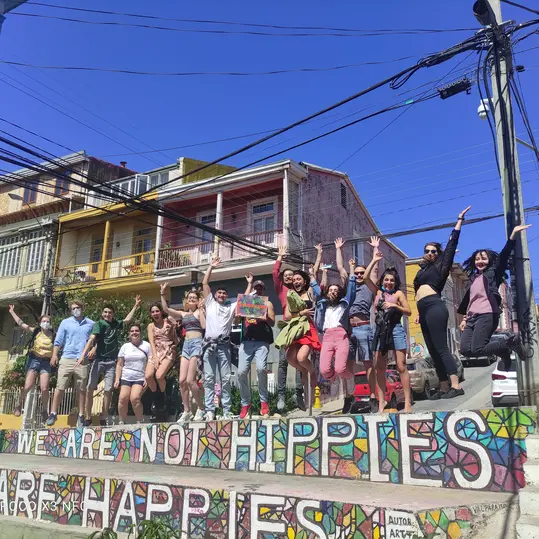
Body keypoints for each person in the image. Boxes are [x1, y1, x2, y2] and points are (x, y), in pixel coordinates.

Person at [413, 206, 471, 400]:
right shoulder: (421, 271)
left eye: (433, 251)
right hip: (423, 309)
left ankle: (456, 385)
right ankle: (444, 387)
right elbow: (417, 291)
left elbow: (452, 244)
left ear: (438, 254)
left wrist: (459, 220)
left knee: (441, 347)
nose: (430, 253)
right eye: (427, 251)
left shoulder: (441, 266)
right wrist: (419, 312)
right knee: (432, 350)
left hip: (435, 306)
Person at [458, 224, 530, 369]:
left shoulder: (493, 272)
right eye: (477, 259)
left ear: (490, 260)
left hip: (487, 314)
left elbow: (503, 256)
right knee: (465, 350)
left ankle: (509, 343)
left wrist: (513, 235)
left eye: (483, 258)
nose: (480, 261)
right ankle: (503, 350)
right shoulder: (472, 279)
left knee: (478, 348)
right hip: (472, 317)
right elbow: (471, 301)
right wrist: (464, 319)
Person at [273, 245, 321, 411]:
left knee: (301, 358)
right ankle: (305, 377)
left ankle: (312, 372)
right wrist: (301, 312)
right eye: (293, 280)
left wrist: (318, 256)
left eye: (298, 279)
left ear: (304, 281)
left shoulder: (310, 292)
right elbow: (287, 315)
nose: (295, 281)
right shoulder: (290, 295)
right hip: (293, 330)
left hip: (307, 329)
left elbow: (316, 283)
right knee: (289, 358)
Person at [80, 296, 141, 426]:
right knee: (90, 387)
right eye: (105, 312)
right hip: (98, 360)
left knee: (108, 390)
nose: (107, 314)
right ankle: (87, 416)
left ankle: (103, 417)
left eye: (110, 312)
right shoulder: (99, 324)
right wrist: (83, 355)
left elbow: (127, 320)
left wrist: (135, 306)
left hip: (111, 362)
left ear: (113, 314)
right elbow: (92, 338)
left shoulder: (115, 324)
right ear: (102, 313)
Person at [363, 252, 412, 413]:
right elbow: (365, 278)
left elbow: (408, 311)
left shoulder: (398, 294)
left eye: (392, 280)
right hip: (380, 330)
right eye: (386, 280)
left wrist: (395, 306)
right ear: (382, 280)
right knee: (380, 367)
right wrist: (374, 260)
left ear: (395, 282)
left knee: (401, 366)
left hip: (395, 329)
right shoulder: (378, 292)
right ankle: (382, 401)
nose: (389, 282)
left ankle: (407, 402)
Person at [336, 236, 380, 413]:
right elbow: (341, 268)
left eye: (362, 273)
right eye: (357, 273)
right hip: (347, 330)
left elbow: (374, 270)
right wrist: (338, 249)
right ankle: (348, 397)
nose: (360, 275)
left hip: (363, 327)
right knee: (346, 366)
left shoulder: (369, 286)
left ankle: (372, 396)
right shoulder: (349, 285)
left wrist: (375, 249)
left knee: (368, 364)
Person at [201, 257, 242, 421]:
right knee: (209, 379)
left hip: (224, 346)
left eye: (224, 293)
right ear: (215, 294)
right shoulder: (210, 303)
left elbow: (245, 299)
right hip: (209, 346)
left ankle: (226, 411)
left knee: (225, 379)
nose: (222, 295)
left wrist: (249, 283)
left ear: (226, 296)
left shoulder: (231, 307)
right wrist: (210, 267)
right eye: (219, 293)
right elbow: (205, 284)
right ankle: (210, 410)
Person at [160, 283, 206, 423]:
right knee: (181, 381)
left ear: (198, 300)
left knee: (191, 380)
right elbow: (166, 309)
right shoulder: (183, 314)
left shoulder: (200, 311)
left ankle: (201, 408)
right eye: (189, 297)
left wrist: (202, 309)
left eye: (194, 298)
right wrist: (162, 293)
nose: (191, 299)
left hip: (197, 343)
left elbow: (204, 326)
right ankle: (187, 411)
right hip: (186, 345)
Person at [314, 264, 357, 414]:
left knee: (340, 368)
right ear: (327, 292)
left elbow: (351, 290)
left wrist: (351, 270)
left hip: (341, 335)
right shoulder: (322, 304)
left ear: (339, 293)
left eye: (335, 290)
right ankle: (334, 379)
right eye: (330, 290)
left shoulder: (344, 304)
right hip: (327, 336)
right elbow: (316, 288)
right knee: (324, 370)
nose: (333, 292)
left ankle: (349, 377)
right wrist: (320, 274)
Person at [46, 300, 95, 427]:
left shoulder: (91, 323)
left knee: (81, 389)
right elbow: (58, 340)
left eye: (78, 307)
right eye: (73, 308)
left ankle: (81, 415)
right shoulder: (65, 322)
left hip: (82, 360)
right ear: (70, 310)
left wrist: (94, 349)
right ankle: (53, 413)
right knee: (60, 386)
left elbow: (98, 339)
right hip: (67, 358)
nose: (76, 310)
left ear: (82, 308)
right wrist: (54, 355)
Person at [238, 273, 275, 419]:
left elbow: (272, 322)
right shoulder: (248, 302)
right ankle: (245, 404)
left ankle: (264, 403)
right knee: (241, 372)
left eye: (260, 288)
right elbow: (240, 306)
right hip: (247, 340)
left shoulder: (267, 303)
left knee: (261, 369)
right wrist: (249, 283)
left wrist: (263, 316)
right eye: (256, 288)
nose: (258, 290)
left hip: (262, 341)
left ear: (264, 290)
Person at [8, 305, 54, 422]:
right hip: (34, 360)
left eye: (48, 321)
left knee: (44, 388)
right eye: (44, 321)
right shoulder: (36, 331)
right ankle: (19, 404)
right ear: (40, 323)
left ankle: (45, 410)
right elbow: (22, 324)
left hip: (46, 362)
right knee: (28, 386)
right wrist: (12, 312)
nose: (46, 323)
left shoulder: (53, 334)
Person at [114, 323, 151, 425]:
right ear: (129, 333)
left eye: (137, 331)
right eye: (132, 331)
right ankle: (122, 421)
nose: (134, 333)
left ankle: (140, 421)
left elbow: (150, 362)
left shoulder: (147, 345)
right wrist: (117, 379)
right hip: (126, 377)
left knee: (135, 398)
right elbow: (119, 364)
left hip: (140, 377)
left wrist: (147, 378)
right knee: (122, 398)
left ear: (140, 332)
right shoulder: (125, 346)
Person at [146, 302, 178, 418]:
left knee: (159, 376)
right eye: (153, 312)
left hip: (168, 350)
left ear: (161, 312)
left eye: (157, 311)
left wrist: (174, 326)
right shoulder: (150, 326)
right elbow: (151, 342)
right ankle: (157, 397)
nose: (155, 313)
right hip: (156, 351)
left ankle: (164, 397)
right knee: (148, 376)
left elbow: (176, 337)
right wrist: (155, 357)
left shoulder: (168, 321)